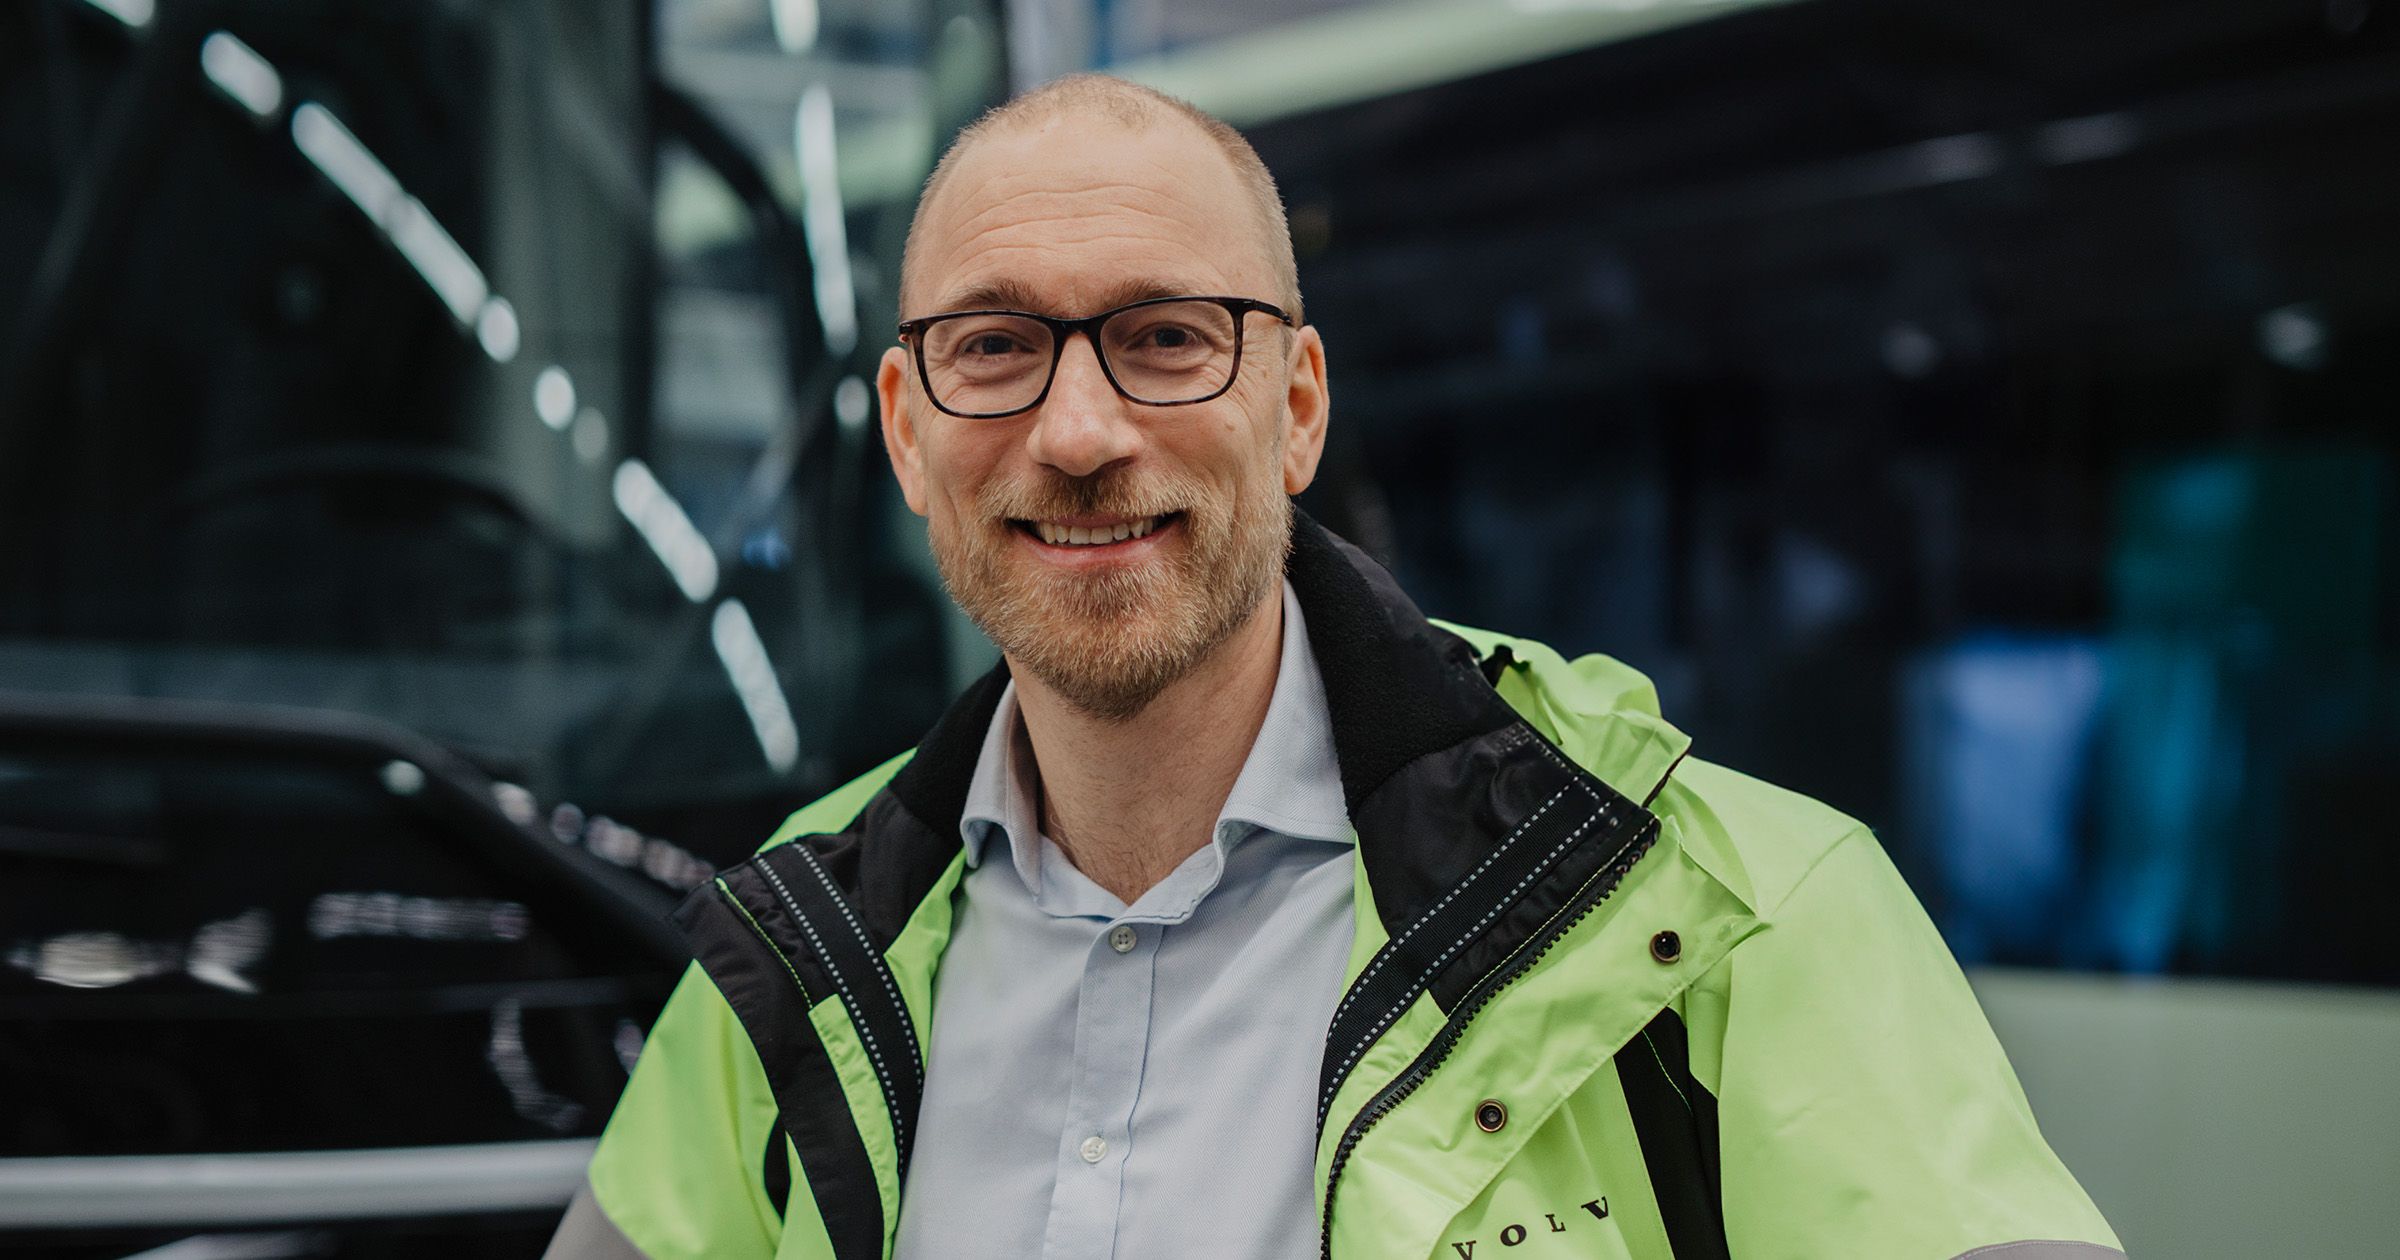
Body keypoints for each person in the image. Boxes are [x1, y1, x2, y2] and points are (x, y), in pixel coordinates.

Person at [546, 75, 2122, 1260]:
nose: (1081, 432)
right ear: (907, 427)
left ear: (1296, 409)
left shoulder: (1727, 924)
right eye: (994, 346)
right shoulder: (784, 974)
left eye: (1167, 338)